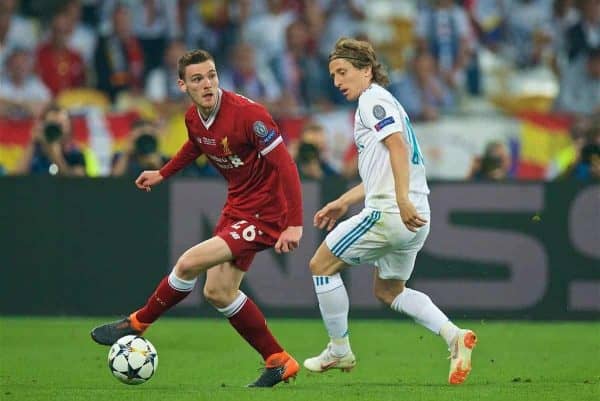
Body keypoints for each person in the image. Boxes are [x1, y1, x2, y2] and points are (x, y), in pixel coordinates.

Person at [90, 49, 304, 387]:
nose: (207, 84)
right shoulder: (193, 118)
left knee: (188, 263)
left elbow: (286, 166)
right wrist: (163, 173)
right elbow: (196, 144)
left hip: (267, 212)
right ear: (182, 85)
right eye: (198, 79)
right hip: (238, 207)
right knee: (219, 291)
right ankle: (278, 360)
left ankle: (137, 322)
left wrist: (294, 223)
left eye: (212, 75)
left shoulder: (250, 115)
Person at [302, 38, 477, 385]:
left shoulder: (372, 100)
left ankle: (339, 349)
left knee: (320, 265)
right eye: (333, 74)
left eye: (343, 72)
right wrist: (344, 201)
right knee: (389, 290)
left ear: (366, 70)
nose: (337, 81)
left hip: (391, 212)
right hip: (414, 217)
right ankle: (454, 336)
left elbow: (397, 148)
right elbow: (385, 166)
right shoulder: (388, 102)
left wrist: (400, 200)